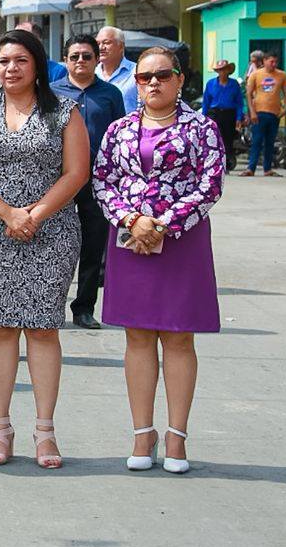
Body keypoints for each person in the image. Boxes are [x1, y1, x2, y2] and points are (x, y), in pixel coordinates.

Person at [0, 30, 89, 468]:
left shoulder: (64, 111)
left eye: (21, 60)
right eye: (4, 61)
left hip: (51, 231)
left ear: (37, 66)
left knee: (43, 329)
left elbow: (76, 172)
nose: (11, 68)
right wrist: (8, 214)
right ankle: (0, 430)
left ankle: (45, 432)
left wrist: (35, 214)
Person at [93, 47, 225, 475]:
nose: (153, 83)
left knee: (180, 337)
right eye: (145, 76)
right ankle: (142, 433)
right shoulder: (119, 129)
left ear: (179, 80)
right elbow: (102, 180)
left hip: (182, 241)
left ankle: (176, 436)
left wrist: (164, 224)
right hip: (130, 239)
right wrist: (133, 220)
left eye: (163, 75)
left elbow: (210, 184)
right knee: (137, 336)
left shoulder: (201, 128)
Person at [52, 34, 128, 330]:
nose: (80, 61)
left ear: (97, 59)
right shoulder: (52, 92)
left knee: (94, 245)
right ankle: (51, 305)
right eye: (74, 56)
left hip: (98, 180)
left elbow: (119, 137)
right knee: (55, 243)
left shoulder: (110, 94)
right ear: (66, 61)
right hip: (58, 179)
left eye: (86, 56)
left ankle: (84, 308)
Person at [243, 51, 286, 177]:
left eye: (276, 62)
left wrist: (285, 109)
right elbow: (248, 94)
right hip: (259, 113)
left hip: (274, 113)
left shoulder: (282, 75)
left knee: (270, 142)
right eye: (271, 61)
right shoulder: (256, 74)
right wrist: (252, 112)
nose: (274, 64)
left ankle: (267, 169)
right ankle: (251, 168)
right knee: (257, 141)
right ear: (264, 61)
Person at [201, 59, 246, 171]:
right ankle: (213, 163)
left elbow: (239, 102)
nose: (222, 72)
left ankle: (226, 163)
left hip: (229, 114)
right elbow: (206, 102)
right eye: (220, 70)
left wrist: (239, 117)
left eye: (224, 69)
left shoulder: (234, 84)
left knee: (228, 139)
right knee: (213, 138)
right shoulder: (211, 83)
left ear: (228, 71)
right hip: (214, 113)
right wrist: (203, 117)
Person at [96, 26, 138, 112]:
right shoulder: (91, 73)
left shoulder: (137, 72)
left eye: (106, 43)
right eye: (97, 44)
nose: (101, 48)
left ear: (121, 46)